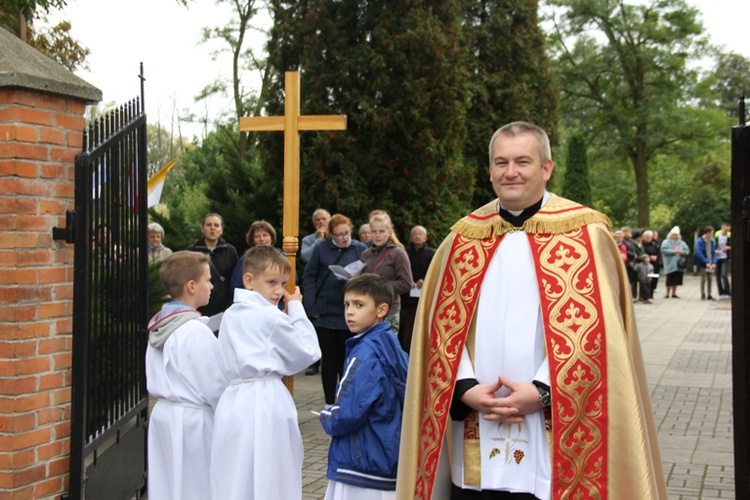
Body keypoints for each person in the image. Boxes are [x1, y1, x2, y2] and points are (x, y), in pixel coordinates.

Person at [396, 122, 666, 500]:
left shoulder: (587, 236)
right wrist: (464, 388)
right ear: (489, 170)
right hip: (476, 423)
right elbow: (439, 333)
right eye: (501, 162)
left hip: (554, 428)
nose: (511, 172)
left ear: (547, 168)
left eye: (523, 161)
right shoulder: (462, 239)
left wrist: (542, 393)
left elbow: (600, 337)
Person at [210, 245, 322, 500]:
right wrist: (296, 309)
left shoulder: (231, 314)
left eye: (283, 284)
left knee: (236, 471)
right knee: (270, 469)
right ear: (249, 280)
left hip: (233, 400)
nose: (279, 291)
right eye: (272, 282)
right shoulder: (269, 317)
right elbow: (308, 352)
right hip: (264, 400)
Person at [146, 251, 229, 500]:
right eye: (208, 279)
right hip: (193, 422)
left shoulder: (161, 323)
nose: (212, 285)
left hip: (163, 415)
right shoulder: (194, 330)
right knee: (195, 487)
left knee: (167, 485)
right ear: (191, 286)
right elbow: (216, 386)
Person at [319, 274, 409, 499]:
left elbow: (348, 413)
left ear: (381, 310)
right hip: (384, 455)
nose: (349, 311)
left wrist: (327, 415)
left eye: (359, 305)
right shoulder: (390, 342)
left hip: (361, 461)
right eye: (347, 304)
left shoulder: (365, 352)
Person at [303, 214, 367, 403]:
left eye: (347, 233)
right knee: (329, 360)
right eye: (339, 235)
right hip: (324, 311)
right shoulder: (322, 248)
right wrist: (311, 306)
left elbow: (370, 277)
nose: (344, 237)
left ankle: (345, 400)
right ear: (331, 235)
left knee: (347, 360)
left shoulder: (360, 248)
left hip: (349, 311)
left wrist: (358, 279)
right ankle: (330, 401)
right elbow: (310, 276)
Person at [361, 213, 413, 334]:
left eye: (382, 231)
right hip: (367, 310)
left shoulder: (398, 253)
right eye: (374, 231)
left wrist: (379, 286)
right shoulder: (366, 254)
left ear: (389, 232)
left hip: (388, 311)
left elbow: (406, 283)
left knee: (385, 350)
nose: (377, 235)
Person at [187, 213, 239, 319]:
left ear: (221, 230)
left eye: (216, 225)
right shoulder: (192, 251)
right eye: (208, 225)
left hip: (224, 307)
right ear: (202, 229)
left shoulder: (230, 251)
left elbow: (235, 279)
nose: (212, 228)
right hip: (199, 308)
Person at [400, 225, 436, 353]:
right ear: (411, 237)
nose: (417, 236)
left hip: (425, 294)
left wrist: (425, 281)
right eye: (415, 234)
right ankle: (408, 354)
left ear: (425, 238)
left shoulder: (432, 253)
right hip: (408, 295)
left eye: (420, 234)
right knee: (409, 326)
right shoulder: (404, 253)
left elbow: (436, 272)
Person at [230, 220, 280, 291]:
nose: (261, 239)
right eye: (257, 236)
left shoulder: (281, 257)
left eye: (265, 235)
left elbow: (292, 280)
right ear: (253, 240)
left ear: (271, 238)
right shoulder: (245, 259)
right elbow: (236, 285)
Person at [660, 226, 690, 299]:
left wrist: (683, 252)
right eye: (673, 235)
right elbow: (663, 250)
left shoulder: (682, 243)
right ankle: (667, 293)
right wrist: (673, 251)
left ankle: (674, 293)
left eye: (676, 235)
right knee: (670, 278)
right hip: (670, 262)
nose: (675, 236)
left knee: (677, 278)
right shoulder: (666, 242)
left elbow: (687, 250)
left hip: (679, 263)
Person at [694, 225, 716, 300]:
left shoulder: (712, 241)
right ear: (708, 232)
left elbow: (713, 252)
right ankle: (702, 294)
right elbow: (699, 252)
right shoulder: (700, 241)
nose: (712, 234)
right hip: (703, 262)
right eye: (712, 232)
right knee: (703, 278)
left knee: (710, 278)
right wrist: (705, 262)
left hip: (710, 261)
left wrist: (714, 262)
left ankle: (709, 293)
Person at [641, 230, 662, 295]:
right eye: (647, 237)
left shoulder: (655, 243)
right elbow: (643, 253)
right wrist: (649, 257)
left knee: (654, 277)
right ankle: (647, 293)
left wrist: (657, 258)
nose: (649, 238)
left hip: (655, 263)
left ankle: (652, 290)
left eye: (650, 237)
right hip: (647, 263)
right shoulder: (643, 244)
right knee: (647, 278)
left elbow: (659, 252)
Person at [714, 222, 731, 297]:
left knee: (724, 274)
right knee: (717, 276)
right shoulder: (717, 235)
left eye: (727, 230)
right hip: (717, 257)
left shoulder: (729, 236)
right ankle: (720, 291)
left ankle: (727, 290)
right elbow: (714, 245)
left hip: (724, 257)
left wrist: (728, 248)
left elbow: (732, 245)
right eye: (725, 230)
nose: (726, 232)